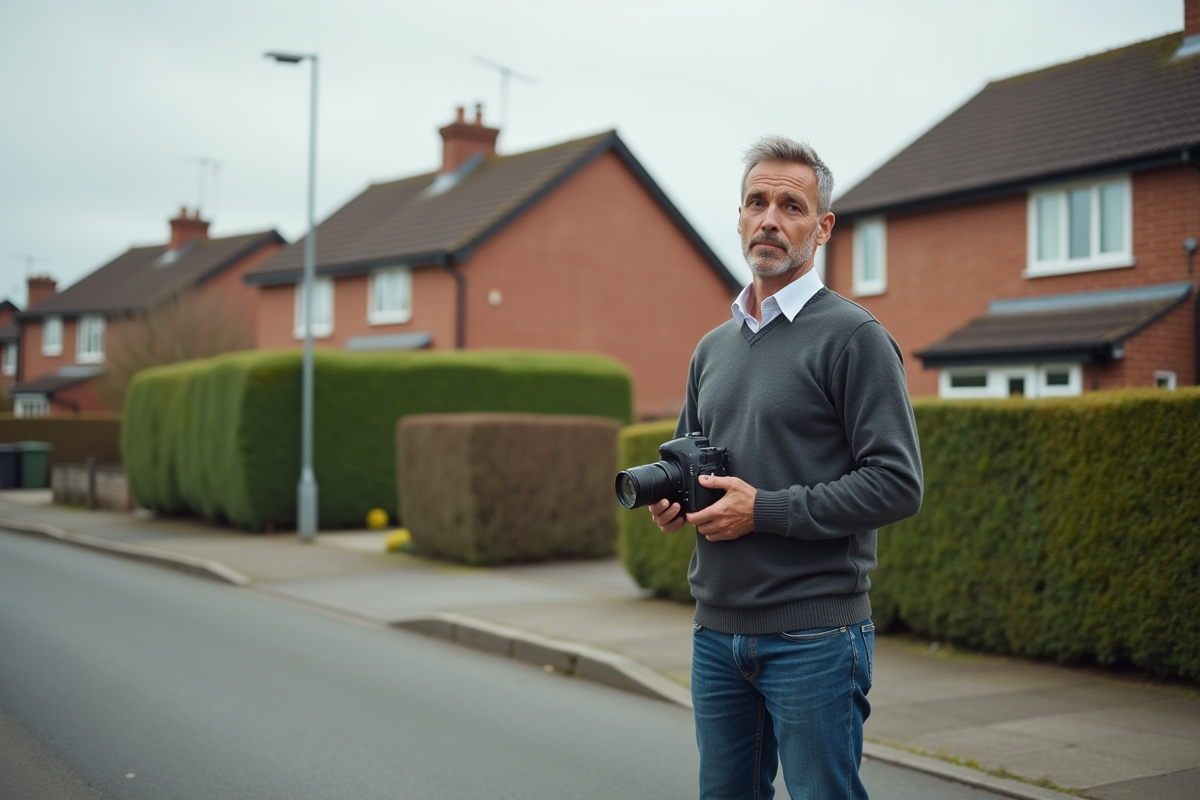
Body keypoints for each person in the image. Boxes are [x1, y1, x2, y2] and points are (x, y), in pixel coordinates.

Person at [649, 136, 923, 800]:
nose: (770, 218)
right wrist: (677, 499)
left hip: (815, 635)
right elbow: (696, 457)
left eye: (791, 205)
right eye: (757, 201)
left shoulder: (855, 339)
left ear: (822, 227)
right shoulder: (711, 348)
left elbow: (897, 482)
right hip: (716, 632)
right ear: (740, 218)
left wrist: (763, 510)